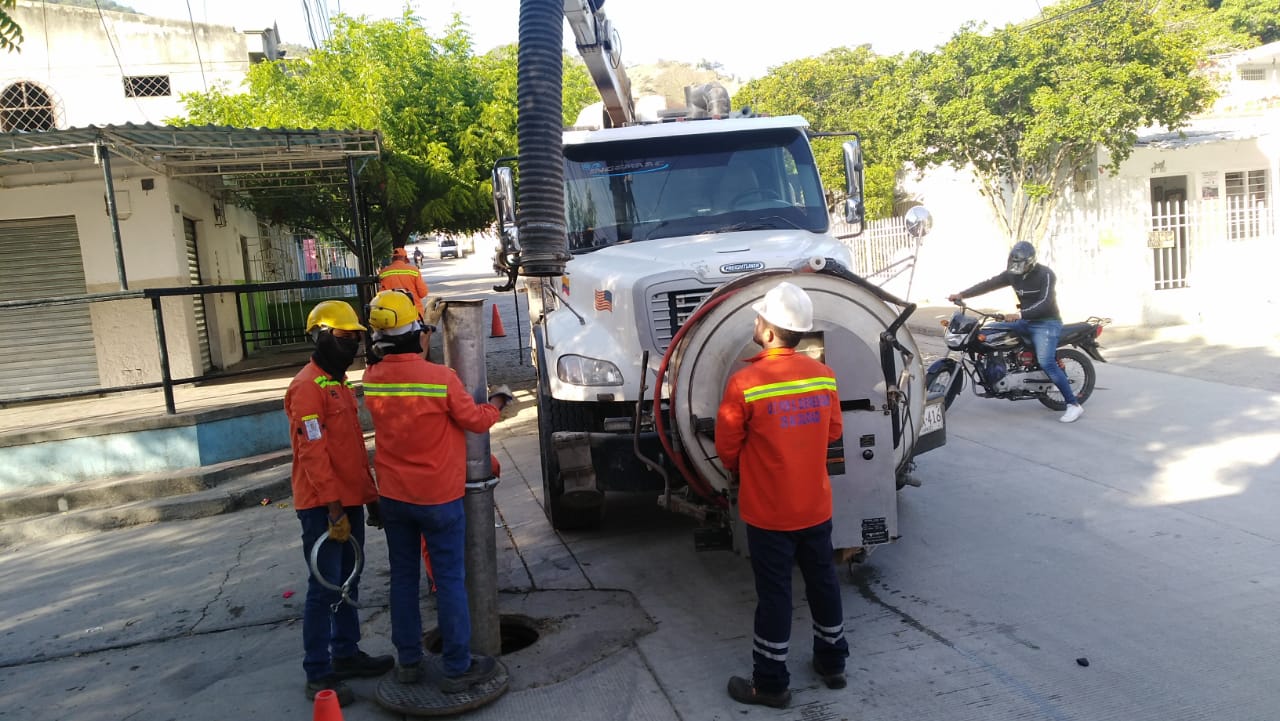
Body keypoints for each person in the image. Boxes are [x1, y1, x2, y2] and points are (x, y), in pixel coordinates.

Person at [360, 290, 514, 693]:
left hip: (394, 498)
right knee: (449, 580)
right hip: (439, 499)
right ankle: (457, 666)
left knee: (404, 581)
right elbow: (476, 421)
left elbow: (402, 352)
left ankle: (409, 663)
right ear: (415, 334)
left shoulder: (372, 378)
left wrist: (421, 322)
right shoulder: (440, 378)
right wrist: (498, 401)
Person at [714, 281, 850, 710]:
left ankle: (771, 683)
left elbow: (727, 448)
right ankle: (832, 664)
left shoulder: (745, 383)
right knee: (824, 582)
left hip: (769, 513)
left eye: (759, 318)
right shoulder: (824, 376)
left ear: (770, 332)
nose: (755, 322)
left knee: (775, 595)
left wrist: (746, 468)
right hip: (815, 505)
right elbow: (834, 433)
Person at [284, 301, 394, 707]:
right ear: (319, 336)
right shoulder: (307, 388)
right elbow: (313, 454)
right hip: (322, 507)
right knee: (325, 587)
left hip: (347, 502)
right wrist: (332, 507)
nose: (350, 344)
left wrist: (370, 498)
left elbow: (351, 452)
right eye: (342, 337)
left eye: (354, 337)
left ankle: (346, 654)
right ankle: (318, 672)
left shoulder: (339, 384)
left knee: (349, 582)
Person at [947, 241, 1084, 423]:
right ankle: (999, 373)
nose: (1016, 268)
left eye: (1020, 265)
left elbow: (1045, 302)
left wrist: (1019, 314)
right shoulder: (1013, 274)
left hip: (1046, 324)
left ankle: (1073, 404)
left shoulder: (1046, 275)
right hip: (1024, 321)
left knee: (1047, 362)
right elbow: (989, 284)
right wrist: (962, 294)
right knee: (987, 333)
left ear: (1030, 263)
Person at [378, 247, 429, 320]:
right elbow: (423, 293)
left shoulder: (383, 273)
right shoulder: (414, 271)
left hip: (392, 316)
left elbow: (381, 296)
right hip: (414, 314)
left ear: (392, 259)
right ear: (405, 258)